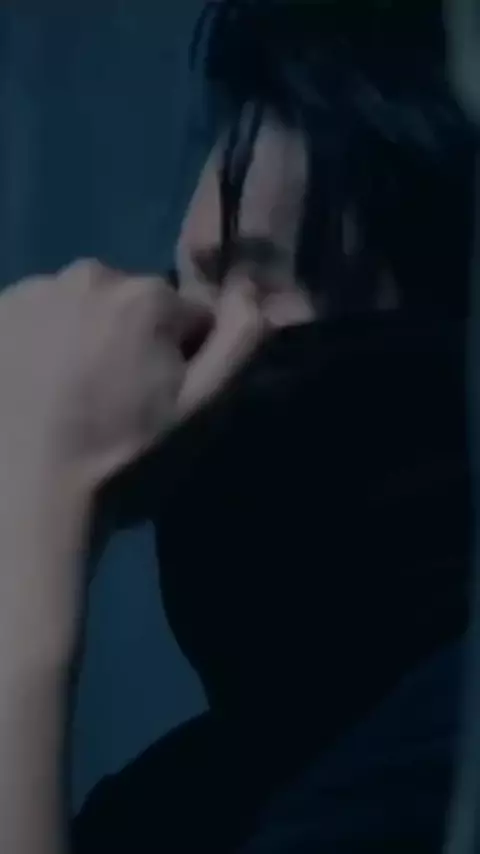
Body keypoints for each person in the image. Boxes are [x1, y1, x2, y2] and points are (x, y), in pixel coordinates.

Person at [0, 2, 476, 853]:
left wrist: (31, 531)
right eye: (190, 283)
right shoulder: (173, 803)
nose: (183, 345)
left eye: (252, 280)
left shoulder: (443, 769)